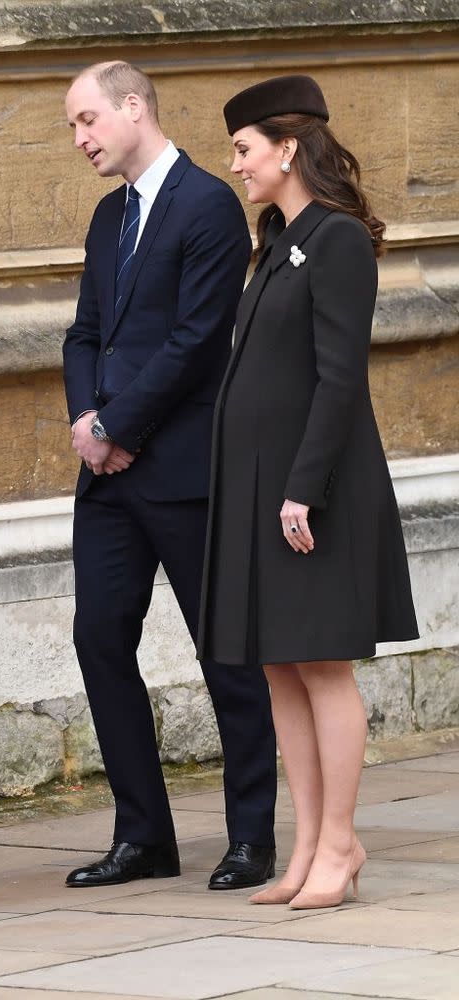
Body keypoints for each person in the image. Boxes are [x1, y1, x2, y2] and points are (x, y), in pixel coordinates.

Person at [198, 75, 419, 909]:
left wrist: (301, 489)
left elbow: (338, 378)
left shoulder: (335, 240)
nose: (238, 165)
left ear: (287, 148)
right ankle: (308, 845)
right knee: (280, 669)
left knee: (322, 667)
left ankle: (341, 843)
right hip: (266, 491)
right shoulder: (278, 239)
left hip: (312, 491)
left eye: (245, 150)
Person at [62, 61, 277, 890]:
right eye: (73, 127)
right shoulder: (108, 215)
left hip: (186, 473)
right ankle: (144, 835)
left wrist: (117, 425)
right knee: (99, 639)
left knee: (226, 656)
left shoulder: (209, 206)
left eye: (87, 120)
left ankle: (250, 837)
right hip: (109, 481)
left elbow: (196, 343)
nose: (80, 139)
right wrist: (89, 425)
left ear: (133, 106)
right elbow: (85, 333)